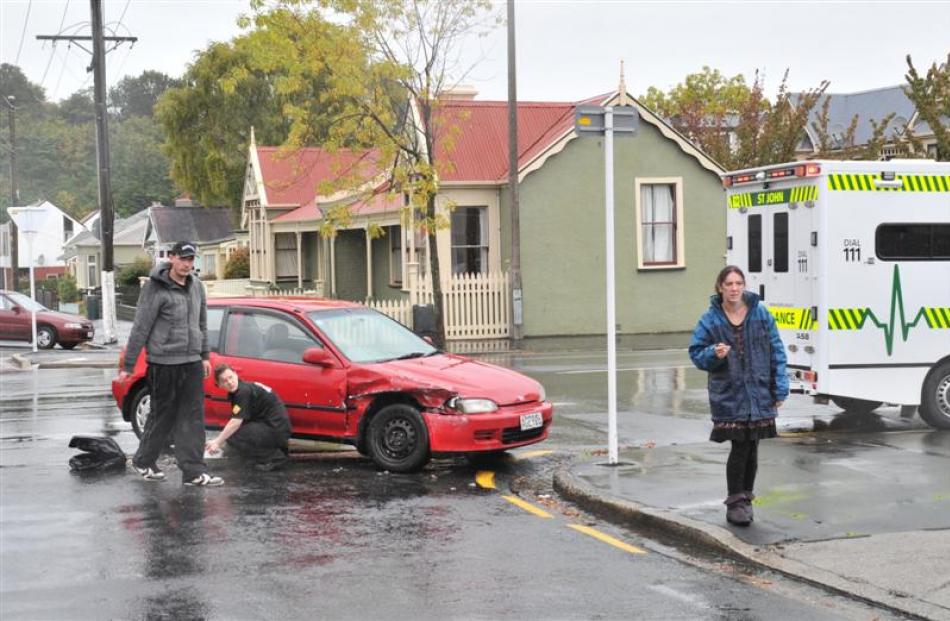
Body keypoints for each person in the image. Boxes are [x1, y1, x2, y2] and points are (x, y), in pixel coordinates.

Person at [688, 265, 788, 526]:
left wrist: (780, 387)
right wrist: (713, 354)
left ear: (744, 286)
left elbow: (776, 350)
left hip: (760, 391)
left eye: (738, 283)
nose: (734, 288)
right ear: (720, 287)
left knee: (752, 446)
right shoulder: (710, 319)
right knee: (740, 446)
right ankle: (735, 502)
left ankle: (746, 498)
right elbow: (696, 354)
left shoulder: (761, 314)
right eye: (729, 284)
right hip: (729, 393)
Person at [119, 241, 223, 487]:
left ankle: (193, 472)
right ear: (172, 258)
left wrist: (204, 356)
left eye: (191, 259)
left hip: (192, 362)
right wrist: (129, 365)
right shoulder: (155, 288)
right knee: (163, 416)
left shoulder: (196, 286)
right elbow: (141, 327)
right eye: (183, 259)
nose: (188, 264)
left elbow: (202, 323)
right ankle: (143, 461)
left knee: (193, 418)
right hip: (163, 362)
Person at [205, 364, 291, 471]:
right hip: (275, 427)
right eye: (224, 381)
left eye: (231, 377)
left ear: (236, 374)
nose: (230, 382)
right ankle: (276, 449)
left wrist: (218, 442)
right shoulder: (242, 389)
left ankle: (275, 457)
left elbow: (236, 421)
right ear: (219, 385)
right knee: (238, 432)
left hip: (276, 428)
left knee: (234, 437)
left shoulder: (242, 392)